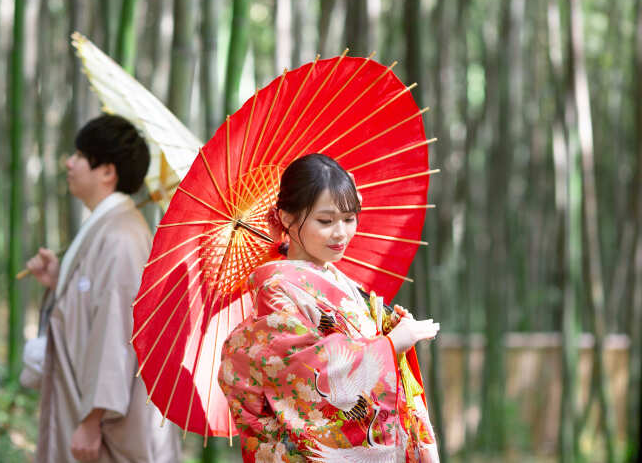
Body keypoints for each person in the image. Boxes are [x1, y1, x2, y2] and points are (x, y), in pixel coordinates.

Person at [218, 153, 440, 462]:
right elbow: (305, 376)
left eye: (349, 219)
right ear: (286, 217)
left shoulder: (337, 279)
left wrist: (388, 325)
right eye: (326, 221)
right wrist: (390, 345)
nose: (341, 233)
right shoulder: (277, 288)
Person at [25, 114, 181, 463]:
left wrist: (94, 418)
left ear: (107, 172)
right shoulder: (110, 228)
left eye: (80, 155)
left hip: (110, 427)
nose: (70, 162)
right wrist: (59, 279)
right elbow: (93, 306)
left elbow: (117, 331)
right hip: (92, 412)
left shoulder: (121, 237)